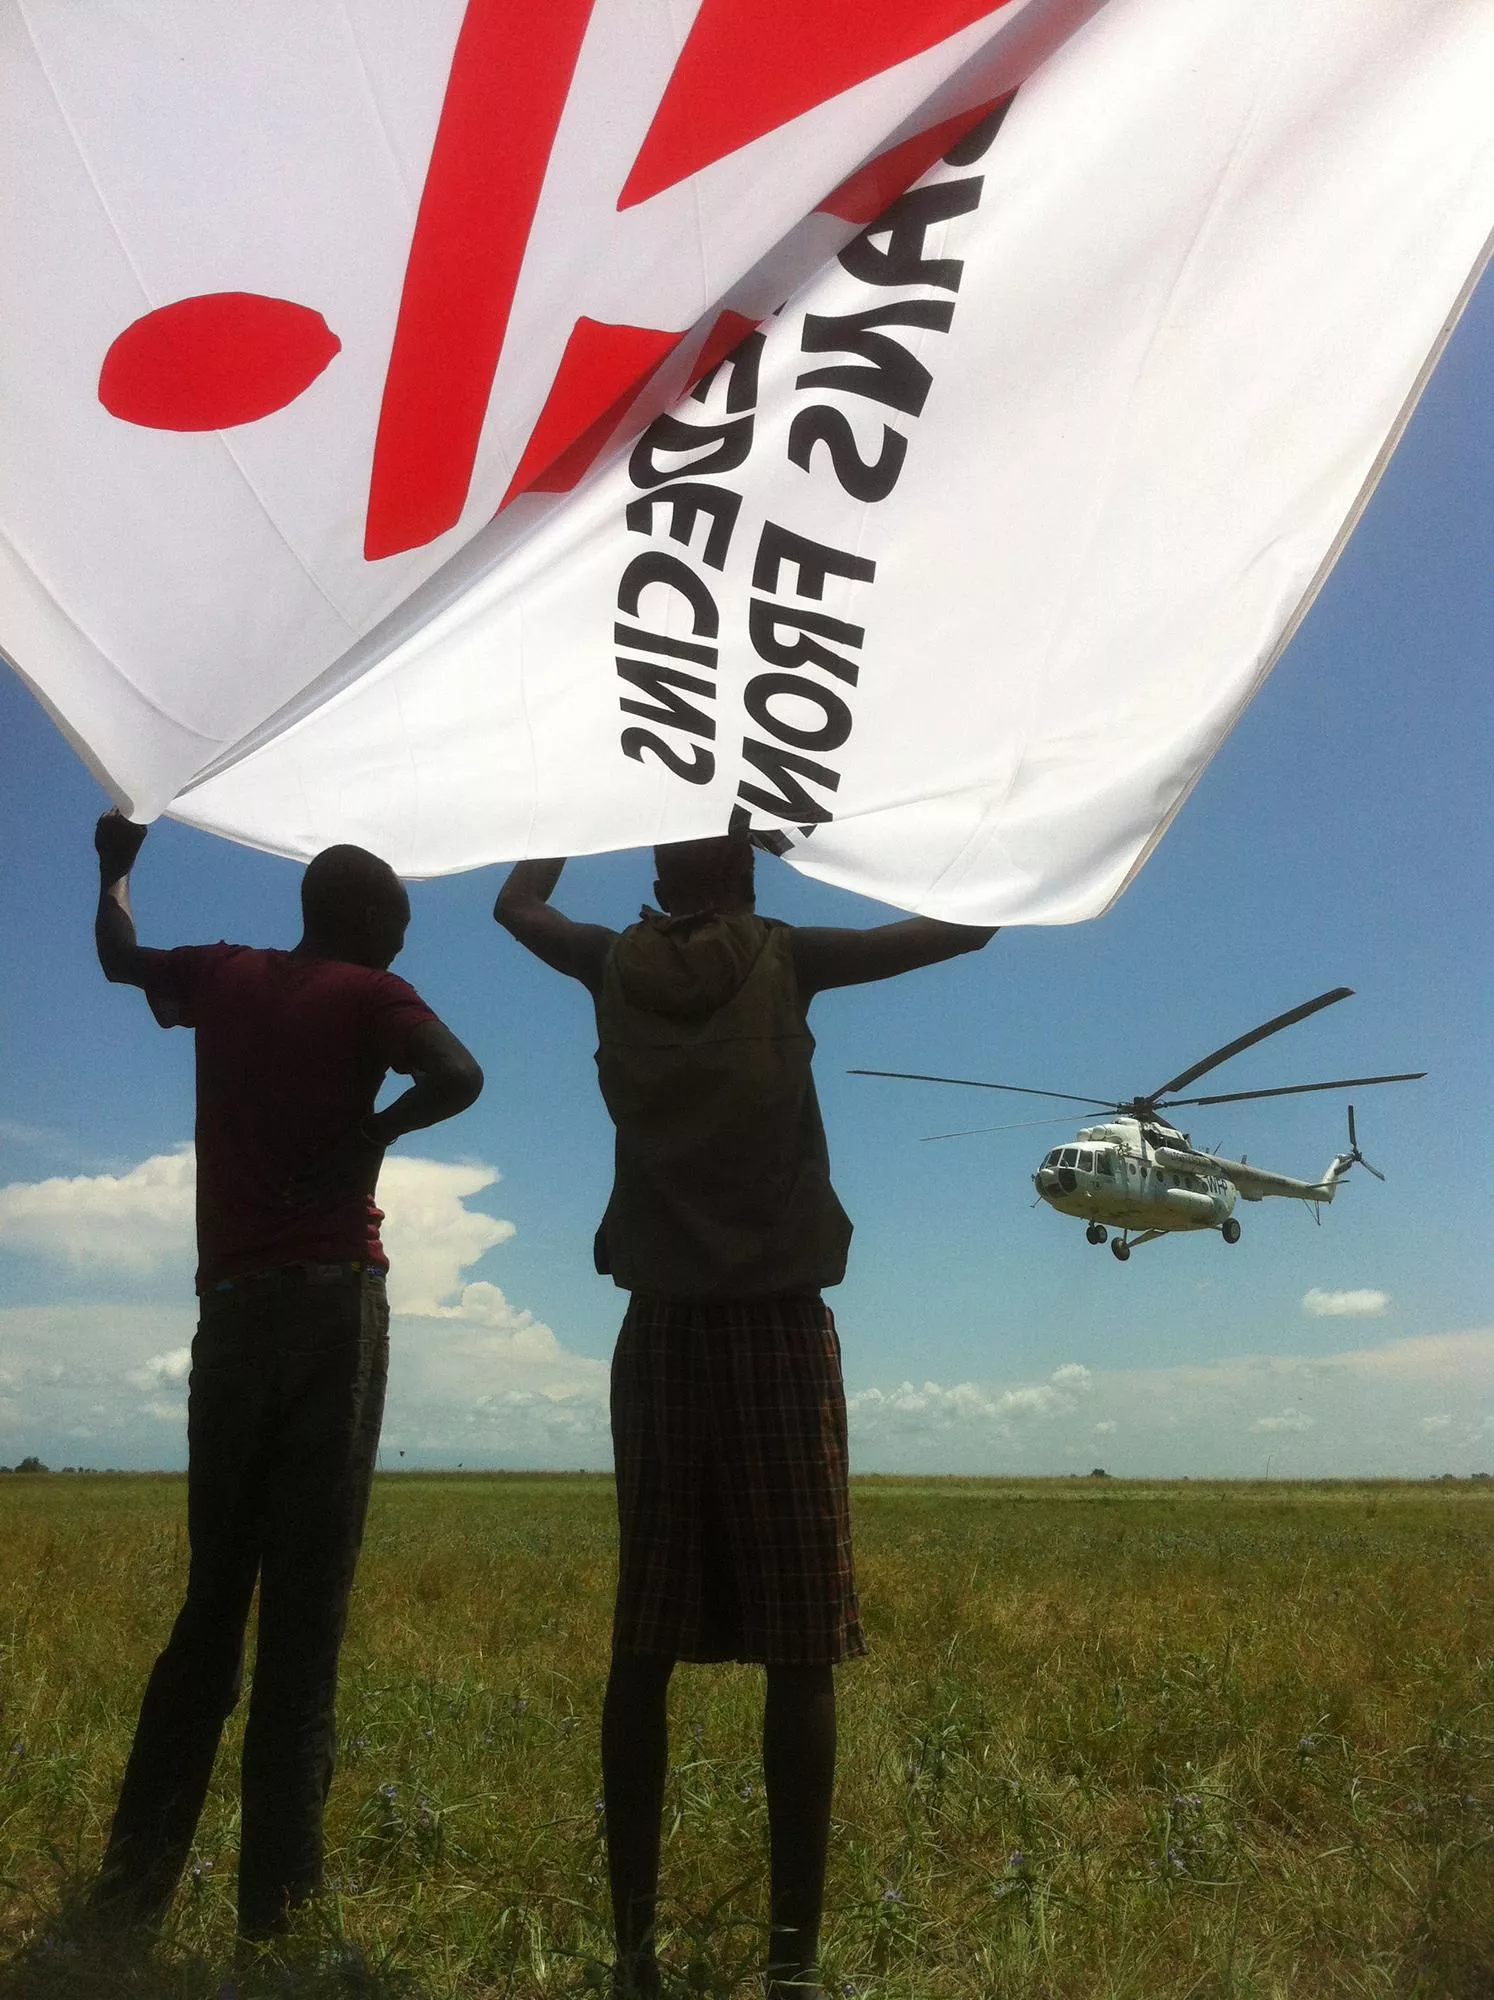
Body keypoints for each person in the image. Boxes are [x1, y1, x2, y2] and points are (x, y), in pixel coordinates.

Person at [494, 830, 995, 1998]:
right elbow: (963, 929)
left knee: (645, 1636)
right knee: (801, 1641)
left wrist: (575, 804)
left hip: (660, 1325)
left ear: (661, 879)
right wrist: (933, 831)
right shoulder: (789, 952)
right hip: (776, 1321)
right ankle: (791, 1966)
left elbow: (518, 905)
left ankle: (631, 1956)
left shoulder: (608, 960)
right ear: (749, 871)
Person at [89, 810, 483, 1940]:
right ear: (359, 919)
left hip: (232, 1315)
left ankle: (129, 1893)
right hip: (331, 1306)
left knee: (213, 1601)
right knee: (304, 1619)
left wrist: (117, 867)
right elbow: (459, 1072)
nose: (402, 949)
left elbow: (118, 957)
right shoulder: (370, 995)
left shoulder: (220, 973)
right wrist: (375, 1134)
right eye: (397, 927)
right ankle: (281, 1909)